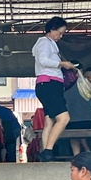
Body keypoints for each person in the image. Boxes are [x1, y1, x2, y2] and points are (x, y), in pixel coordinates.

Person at [33, 16, 78, 162]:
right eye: (60, 32)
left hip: (47, 85)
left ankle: (45, 154)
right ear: (52, 29)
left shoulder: (48, 43)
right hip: (49, 84)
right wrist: (61, 64)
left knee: (49, 121)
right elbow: (43, 60)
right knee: (64, 118)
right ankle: (48, 150)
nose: (61, 36)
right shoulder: (45, 42)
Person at [63, 69, 91, 154]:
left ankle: (76, 155)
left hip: (70, 121)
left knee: (74, 135)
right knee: (81, 130)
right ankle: (87, 150)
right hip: (88, 121)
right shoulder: (85, 84)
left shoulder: (63, 86)